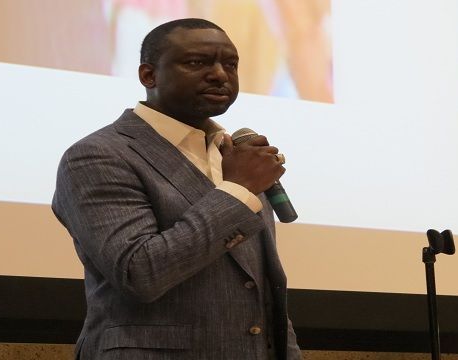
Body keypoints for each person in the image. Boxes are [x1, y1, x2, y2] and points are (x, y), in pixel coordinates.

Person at [52, 18, 302, 359]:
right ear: (148, 76)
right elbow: (140, 272)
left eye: (230, 64)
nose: (219, 74)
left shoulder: (233, 154)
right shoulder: (98, 156)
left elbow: (261, 289)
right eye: (197, 62)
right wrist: (238, 189)